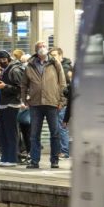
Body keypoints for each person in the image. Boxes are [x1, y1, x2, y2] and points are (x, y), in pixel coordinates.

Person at [20, 41, 66, 169]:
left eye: (44, 46)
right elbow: (24, 84)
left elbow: (62, 83)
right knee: (34, 134)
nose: (42, 48)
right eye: (40, 47)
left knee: (55, 133)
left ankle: (54, 160)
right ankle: (34, 161)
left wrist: (62, 101)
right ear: (36, 50)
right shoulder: (30, 65)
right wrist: (24, 99)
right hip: (35, 104)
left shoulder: (55, 63)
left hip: (52, 102)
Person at [0, 50, 24, 167]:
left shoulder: (14, 70)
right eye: (0, 61)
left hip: (12, 105)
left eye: (4, 60)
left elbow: (21, 88)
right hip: (3, 104)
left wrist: (5, 86)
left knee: (11, 133)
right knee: (4, 133)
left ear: (8, 59)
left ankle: (12, 159)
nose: (2, 62)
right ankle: (5, 158)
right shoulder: (4, 71)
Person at [50, 47, 73, 159]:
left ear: (60, 56)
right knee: (58, 127)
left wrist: (62, 102)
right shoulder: (54, 67)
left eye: (55, 55)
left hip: (62, 102)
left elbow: (65, 88)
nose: (52, 57)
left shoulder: (65, 68)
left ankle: (64, 151)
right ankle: (60, 151)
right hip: (55, 101)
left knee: (62, 126)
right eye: (51, 55)